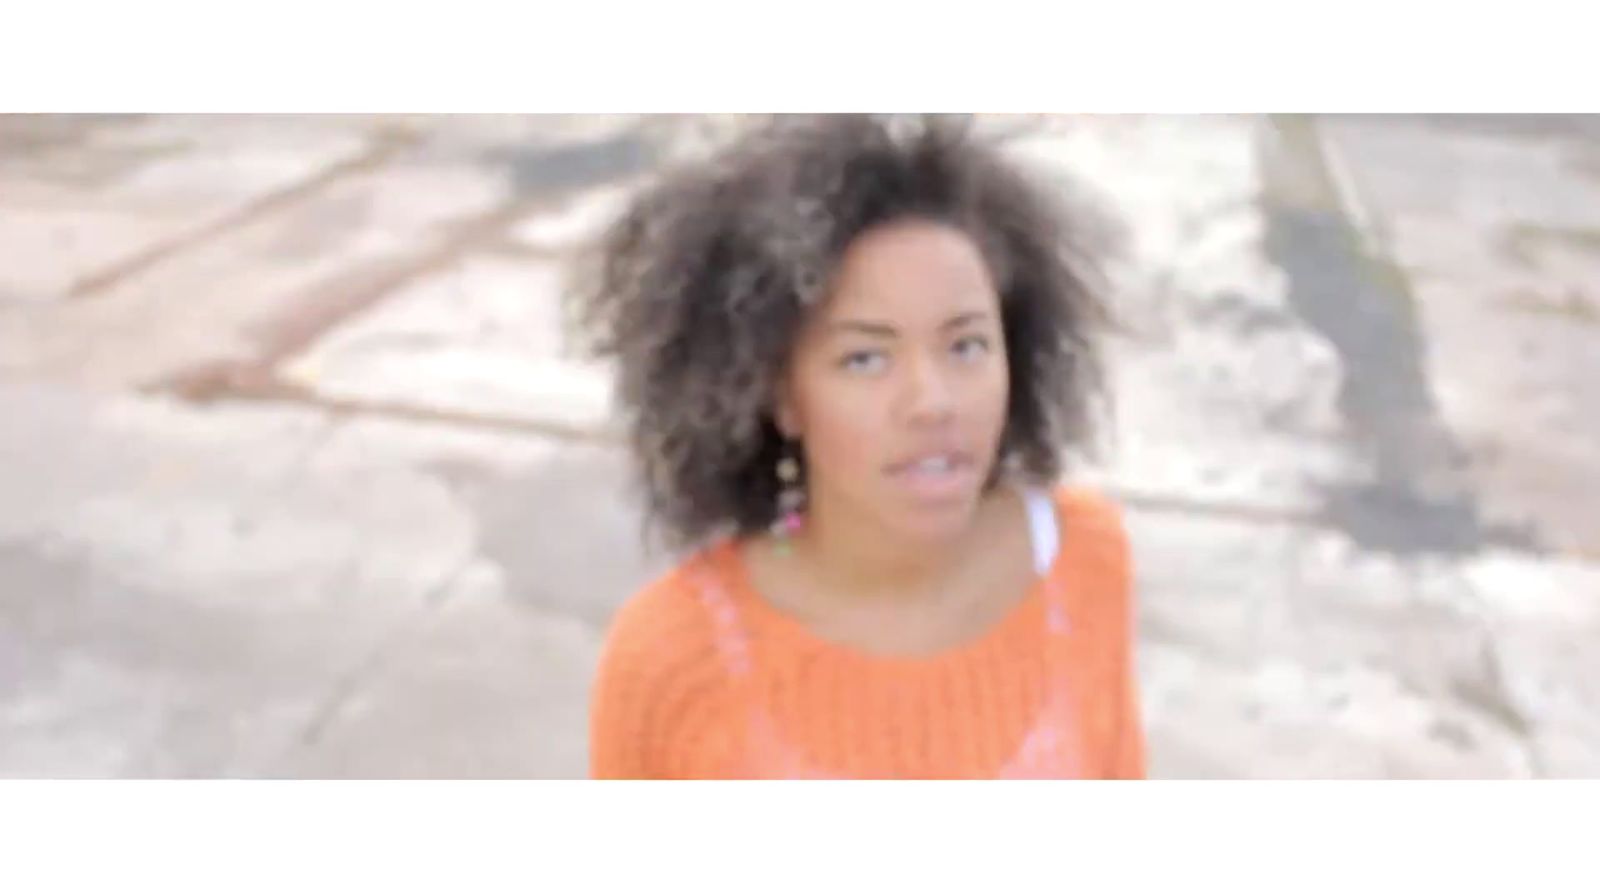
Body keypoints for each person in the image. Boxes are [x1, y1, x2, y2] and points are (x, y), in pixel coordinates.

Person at [574, 115, 1143, 779]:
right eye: (866, 358)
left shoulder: (1082, 560)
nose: (932, 400)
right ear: (778, 393)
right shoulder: (676, 659)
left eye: (966, 345)